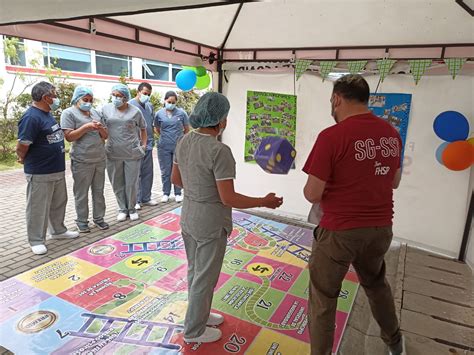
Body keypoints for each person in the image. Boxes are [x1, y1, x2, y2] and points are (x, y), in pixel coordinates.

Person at [302, 74, 404, 355]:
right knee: (376, 285)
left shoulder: (332, 136)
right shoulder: (392, 134)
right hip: (381, 228)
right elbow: (394, 181)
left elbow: (312, 193)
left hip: (339, 231)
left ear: (337, 99)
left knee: (323, 299)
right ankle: (395, 344)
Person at [171, 92, 283, 343]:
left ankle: (199, 315)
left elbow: (176, 180)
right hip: (209, 221)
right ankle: (194, 331)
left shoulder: (184, 141)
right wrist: (263, 201)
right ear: (221, 120)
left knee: (195, 271)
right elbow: (228, 198)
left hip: (188, 215)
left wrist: (198, 189)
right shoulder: (219, 150)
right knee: (205, 276)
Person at [16, 81, 79, 255]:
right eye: (55, 94)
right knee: (38, 207)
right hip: (40, 171)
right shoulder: (31, 117)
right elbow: (22, 144)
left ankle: (58, 231)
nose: (57, 97)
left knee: (58, 203)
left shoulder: (47, 114)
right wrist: (21, 157)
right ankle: (36, 239)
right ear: (46, 97)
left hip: (56, 169)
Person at [60, 86, 109, 233]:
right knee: (81, 192)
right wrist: (86, 127)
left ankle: (99, 218)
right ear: (76, 99)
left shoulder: (95, 113)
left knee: (98, 191)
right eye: (85, 100)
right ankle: (81, 221)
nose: (88, 103)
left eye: (90, 100)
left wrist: (100, 128)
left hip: (99, 158)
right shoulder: (68, 113)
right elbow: (69, 136)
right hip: (82, 160)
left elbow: (105, 136)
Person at [102, 84, 147, 222]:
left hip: (131, 152)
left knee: (131, 183)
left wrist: (143, 146)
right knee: (117, 182)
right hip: (113, 152)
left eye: (118, 96)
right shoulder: (105, 109)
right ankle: (122, 208)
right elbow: (100, 128)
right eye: (113, 95)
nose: (115, 98)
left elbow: (144, 128)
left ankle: (132, 208)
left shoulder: (135, 111)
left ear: (125, 97)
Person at [155, 90, 190, 203]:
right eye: (169, 101)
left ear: (176, 102)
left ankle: (178, 193)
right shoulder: (159, 114)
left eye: (173, 102)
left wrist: (181, 141)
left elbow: (186, 129)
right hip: (163, 146)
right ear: (165, 101)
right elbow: (157, 129)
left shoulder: (181, 113)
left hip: (178, 146)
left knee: (178, 170)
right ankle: (166, 193)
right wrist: (166, 137)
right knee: (165, 171)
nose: (171, 104)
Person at [128, 82, 158, 210]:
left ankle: (146, 197)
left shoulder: (149, 106)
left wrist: (150, 141)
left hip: (148, 143)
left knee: (147, 172)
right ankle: (136, 200)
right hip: (135, 144)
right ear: (138, 92)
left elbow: (150, 124)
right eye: (145, 93)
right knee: (136, 173)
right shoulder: (130, 105)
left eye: (149, 94)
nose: (147, 96)